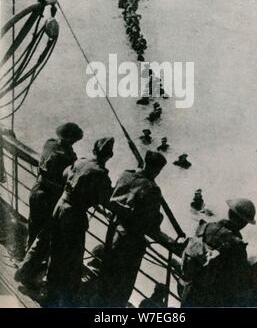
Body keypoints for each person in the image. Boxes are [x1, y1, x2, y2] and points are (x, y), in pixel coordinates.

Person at [46, 137, 114, 307]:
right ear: (110, 155)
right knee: (73, 258)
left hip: (60, 206)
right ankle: (68, 300)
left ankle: (50, 294)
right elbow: (107, 200)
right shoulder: (100, 173)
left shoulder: (81, 162)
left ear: (93, 151)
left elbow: (64, 175)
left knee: (56, 251)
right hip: (74, 215)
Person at [15, 123, 83, 287]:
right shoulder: (69, 157)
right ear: (71, 139)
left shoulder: (49, 143)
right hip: (50, 197)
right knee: (44, 236)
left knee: (33, 228)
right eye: (73, 140)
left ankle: (25, 262)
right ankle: (28, 273)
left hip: (37, 190)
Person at [97, 151, 168, 307]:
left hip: (114, 228)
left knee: (107, 272)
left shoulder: (126, 175)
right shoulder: (151, 189)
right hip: (130, 240)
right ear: (157, 170)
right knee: (122, 284)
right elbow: (152, 221)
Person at [180, 198, 257, 307]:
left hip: (188, 295)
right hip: (211, 302)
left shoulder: (203, 227)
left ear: (229, 212)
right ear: (244, 223)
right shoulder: (237, 246)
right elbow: (238, 282)